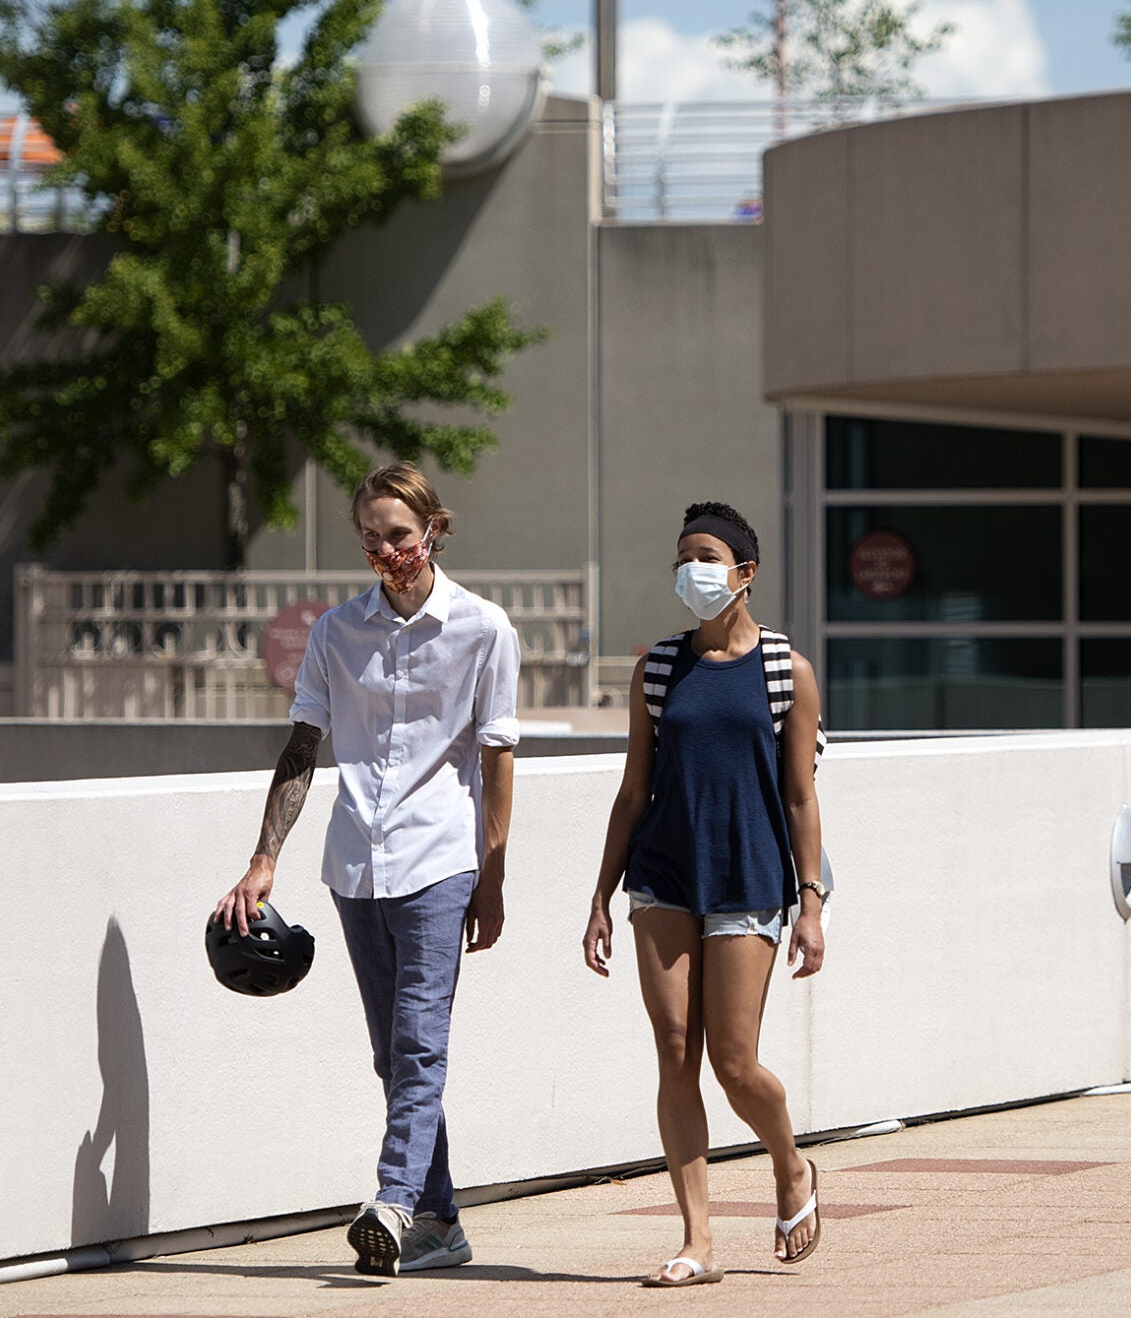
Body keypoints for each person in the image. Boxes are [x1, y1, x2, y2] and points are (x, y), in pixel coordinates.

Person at [214, 463, 519, 1278]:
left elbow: (497, 759)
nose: (385, 551)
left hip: (442, 859)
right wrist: (263, 859)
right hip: (356, 863)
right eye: (371, 538)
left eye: (399, 535)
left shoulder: (485, 630)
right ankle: (441, 1221)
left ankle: (392, 1199)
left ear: (434, 532)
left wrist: (491, 877)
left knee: (420, 1042)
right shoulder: (335, 633)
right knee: (393, 1053)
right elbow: (303, 748)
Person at [582, 501, 828, 1289]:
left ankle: (790, 1164)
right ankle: (698, 1241)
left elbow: (799, 796)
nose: (693, 569)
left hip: (750, 878)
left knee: (733, 1060)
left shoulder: (787, 668)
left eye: (708, 556)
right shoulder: (659, 666)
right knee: (676, 1052)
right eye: (683, 555)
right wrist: (600, 897)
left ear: (745, 573)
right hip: (663, 877)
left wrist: (812, 901)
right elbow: (632, 791)